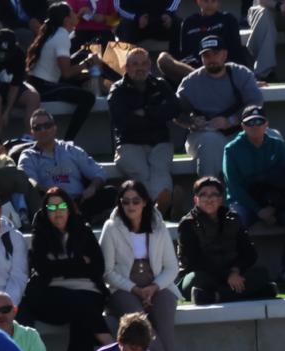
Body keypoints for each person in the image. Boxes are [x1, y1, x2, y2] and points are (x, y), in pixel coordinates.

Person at [23, 188, 111, 351]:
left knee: (83, 315)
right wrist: (78, 263)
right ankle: (110, 345)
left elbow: (98, 267)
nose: (57, 211)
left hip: (89, 291)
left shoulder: (83, 231)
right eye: (51, 208)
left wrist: (60, 267)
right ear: (45, 211)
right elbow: (43, 270)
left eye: (62, 206)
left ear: (69, 208)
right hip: (52, 297)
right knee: (82, 305)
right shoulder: (41, 234)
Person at [99, 180, 178, 351]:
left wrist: (154, 287)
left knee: (166, 308)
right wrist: (135, 289)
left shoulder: (158, 226)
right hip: (122, 287)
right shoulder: (111, 227)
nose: (131, 206)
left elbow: (171, 267)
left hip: (155, 283)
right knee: (139, 319)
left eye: (136, 201)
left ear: (144, 202)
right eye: (125, 201)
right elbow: (106, 271)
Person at [176, 36, 263, 181]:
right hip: (204, 136)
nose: (211, 59)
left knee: (271, 136)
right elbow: (176, 112)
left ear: (225, 54)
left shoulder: (240, 73)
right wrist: (191, 122)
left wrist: (231, 121)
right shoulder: (191, 82)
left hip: (238, 131)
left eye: (215, 53)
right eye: (206, 55)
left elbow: (256, 103)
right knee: (210, 141)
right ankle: (208, 190)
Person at [176, 176, 274, 304]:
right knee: (197, 280)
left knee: (261, 273)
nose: (209, 199)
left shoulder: (233, 218)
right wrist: (227, 275)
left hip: (232, 272)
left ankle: (214, 296)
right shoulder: (187, 224)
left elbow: (249, 253)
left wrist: (235, 270)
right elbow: (194, 261)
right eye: (203, 195)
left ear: (220, 199)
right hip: (203, 274)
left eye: (214, 194)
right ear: (196, 199)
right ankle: (257, 291)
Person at [107, 49, 178, 213]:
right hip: (129, 144)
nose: (140, 68)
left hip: (159, 142)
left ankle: (154, 208)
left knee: (160, 169)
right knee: (141, 173)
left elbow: (174, 108)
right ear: (126, 67)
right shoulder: (117, 90)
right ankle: (161, 207)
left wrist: (145, 112)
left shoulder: (160, 84)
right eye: (135, 64)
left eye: (144, 63)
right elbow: (122, 120)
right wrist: (157, 114)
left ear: (149, 65)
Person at [19, 107, 113, 222]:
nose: (43, 130)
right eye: (37, 127)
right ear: (32, 132)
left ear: (54, 127)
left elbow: (99, 172)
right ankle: (83, 218)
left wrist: (92, 187)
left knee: (111, 192)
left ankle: (81, 217)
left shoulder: (71, 149)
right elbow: (28, 181)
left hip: (79, 201)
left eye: (47, 125)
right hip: (52, 205)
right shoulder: (28, 156)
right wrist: (56, 197)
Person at [26, 4, 97, 142]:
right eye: (73, 13)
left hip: (38, 83)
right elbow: (66, 73)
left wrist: (83, 56)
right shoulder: (62, 35)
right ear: (66, 20)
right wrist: (88, 63)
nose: (76, 14)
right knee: (88, 98)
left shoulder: (54, 32)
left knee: (83, 59)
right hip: (43, 87)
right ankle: (68, 141)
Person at [221, 105, 285, 228]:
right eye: (250, 123)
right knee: (236, 221)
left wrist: (274, 207)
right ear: (243, 126)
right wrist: (258, 210)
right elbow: (234, 186)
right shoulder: (231, 149)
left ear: (266, 124)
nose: (255, 126)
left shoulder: (278, 146)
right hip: (244, 203)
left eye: (259, 121)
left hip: (276, 201)